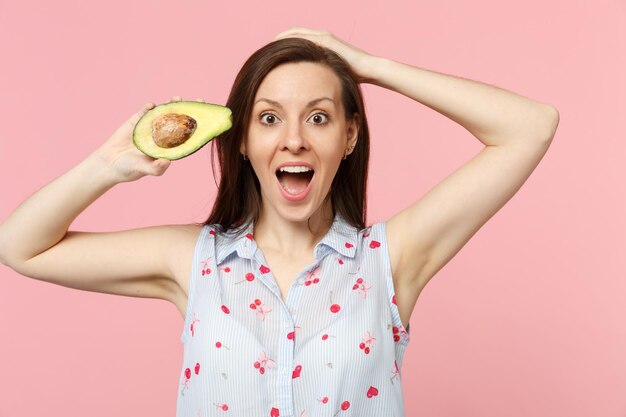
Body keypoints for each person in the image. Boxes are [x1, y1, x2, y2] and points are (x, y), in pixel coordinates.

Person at [0, 27, 559, 416]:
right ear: (242, 139)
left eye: (318, 117)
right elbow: (21, 247)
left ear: (350, 136)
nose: (294, 138)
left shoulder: (388, 261)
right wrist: (108, 164)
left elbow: (530, 126)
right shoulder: (194, 261)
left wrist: (368, 67)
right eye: (269, 119)